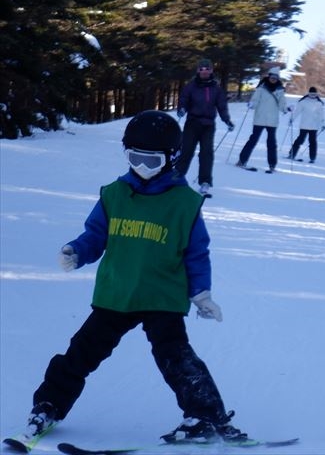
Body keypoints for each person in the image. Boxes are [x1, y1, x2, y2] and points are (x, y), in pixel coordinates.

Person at [24, 110, 247, 444]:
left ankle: (205, 416)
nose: (142, 167)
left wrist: (201, 294)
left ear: (171, 158)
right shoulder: (114, 195)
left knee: (175, 357)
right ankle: (49, 405)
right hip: (118, 292)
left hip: (162, 295)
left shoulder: (184, 204)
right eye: (135, 157)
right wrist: (77, 250)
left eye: (152, 160)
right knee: (81, 351)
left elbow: (196, 252)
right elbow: (95, 235)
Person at [176, 58, 234, 197]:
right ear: (197, 71)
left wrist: (227, 120)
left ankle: (205, 182)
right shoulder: (191, 86)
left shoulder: (216, 88)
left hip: (208, 125)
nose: (204, 72)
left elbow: (221, 106)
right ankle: (176, 179)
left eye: (207, 69)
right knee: (186, 151)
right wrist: (182, 109)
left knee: (206, 153)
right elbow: (184, 99)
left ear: (211, 71)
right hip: (192, 122)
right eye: (201, 69)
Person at [236, 66, 288, 172]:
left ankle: (272, 165)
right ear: (269, 77)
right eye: (272, 77)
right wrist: (252, 104)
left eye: (276, 77)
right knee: (253, 140)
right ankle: (242, 160)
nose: (273, 79)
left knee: (272, 143)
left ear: (278, 78)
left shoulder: (280, 90)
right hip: (260, 118)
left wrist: (286, 109)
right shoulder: (261, 88)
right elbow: (255, 100)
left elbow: (282, 103)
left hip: (272, 120)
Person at [286, 87, 325, 163]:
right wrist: (292, 119)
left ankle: (312, 157)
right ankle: (292, 154)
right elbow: (297, 111)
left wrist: (322, 124)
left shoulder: (319, 103)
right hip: (304, 125)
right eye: (311, 94)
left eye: (314, 94)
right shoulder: (303, 102)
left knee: (312, 141)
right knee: (300, 140)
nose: (312, 96)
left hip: (314, 126)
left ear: (316, 94)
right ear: (308, 93)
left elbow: (321, 115)